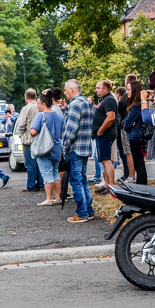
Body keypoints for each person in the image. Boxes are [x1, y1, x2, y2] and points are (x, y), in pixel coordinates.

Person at [60, 79, 95, 222]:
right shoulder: (86, 102)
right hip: (85, 146)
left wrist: (64, 146)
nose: (65, 92)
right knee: (83, 179)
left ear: (72, 89)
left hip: (75, 148)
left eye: (66, 89)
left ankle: (81, 213)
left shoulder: (75, 104)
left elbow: (71, 129)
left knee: (76, 181)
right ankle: (89, 210)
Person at [30, 93, 64, 206]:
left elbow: (33, 131)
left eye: (38, 104)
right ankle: (58, 197)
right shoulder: (59, 116)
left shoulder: (40, 116)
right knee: (55, 172)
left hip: (44, 148)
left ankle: (49, 199)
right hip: (57, 147)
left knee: (46, 174)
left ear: (44, 104)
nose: (37, 106)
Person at [92, 80, 118, 194]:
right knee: (103, 159)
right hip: (102, 134)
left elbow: (111, 117)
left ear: (105, 89)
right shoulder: (104, 100)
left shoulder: (109, 100)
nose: (96, 90)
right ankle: (107, 184)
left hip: (105, 134)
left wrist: (100, 130)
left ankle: (111, 186)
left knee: (107, 160)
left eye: (98, 88)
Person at [15, 88, 42, 192]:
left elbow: (21, 124)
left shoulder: (26, 108)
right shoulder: (40, 106)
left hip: (28, 139)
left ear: (26, 97)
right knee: (39, 163)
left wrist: (21, 135)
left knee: (30, 164)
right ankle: (41, 184)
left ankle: (31, 185)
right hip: (39, 139)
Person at [122, 79, 147, 185]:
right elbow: (125, 122)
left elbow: (126, 123)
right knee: (138, 162)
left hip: (135, 136)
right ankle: (141, 183)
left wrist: (127, 123)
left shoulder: (136, 105)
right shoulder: (134, 105)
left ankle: (142, 184)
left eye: (128, 90)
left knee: (139, 162)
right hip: (133, 135)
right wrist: (127, 123)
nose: (127, 92)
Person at [114, 86, 133, 181]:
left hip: (123, 127)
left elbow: (118, 109)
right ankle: (129, 174)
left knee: (126, 152)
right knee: (126, 153)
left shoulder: (125, 97)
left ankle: (129, 174)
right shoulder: (129, 98)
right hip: (124, 126)